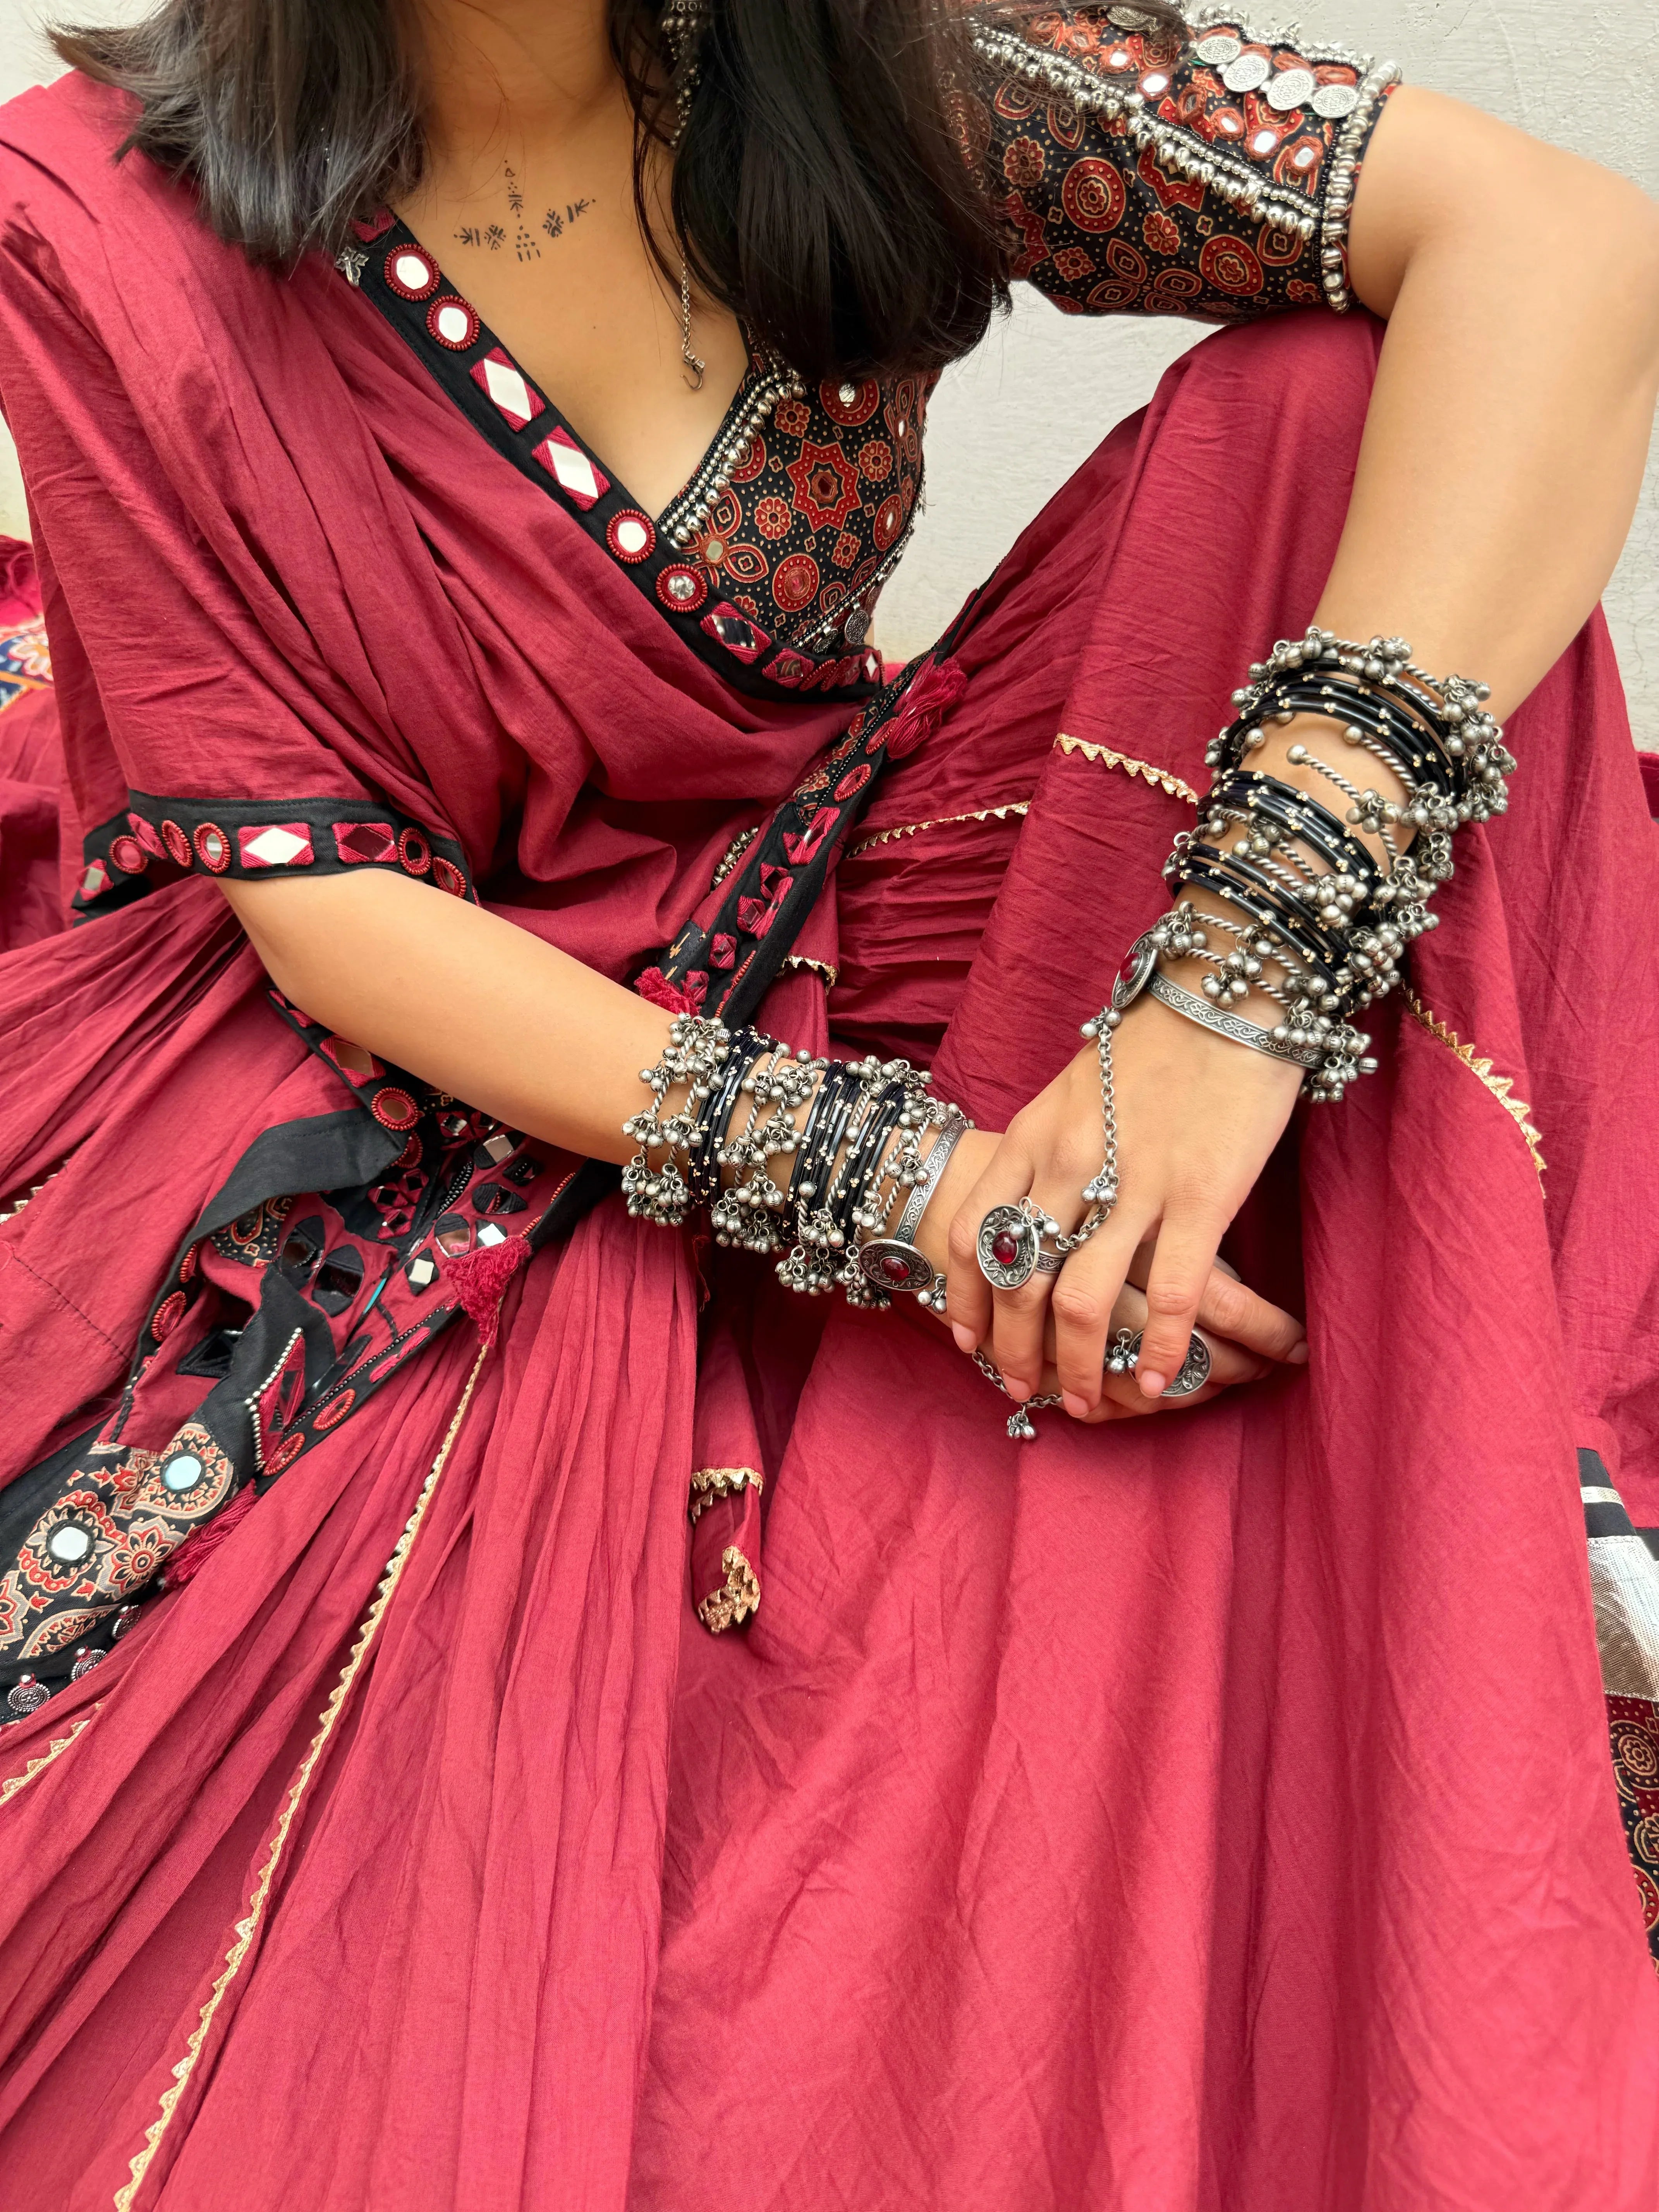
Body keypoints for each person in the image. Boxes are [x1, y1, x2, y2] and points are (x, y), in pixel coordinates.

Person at [0, 0, 1656, 2202]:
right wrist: (920, 1192)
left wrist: (1232, 997)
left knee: (1331, 420)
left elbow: (1563, 246)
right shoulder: (95, 209)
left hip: (838, 894)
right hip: (395, 1048)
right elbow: (336, 915)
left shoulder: (872, 64)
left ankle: (1465, 1525)